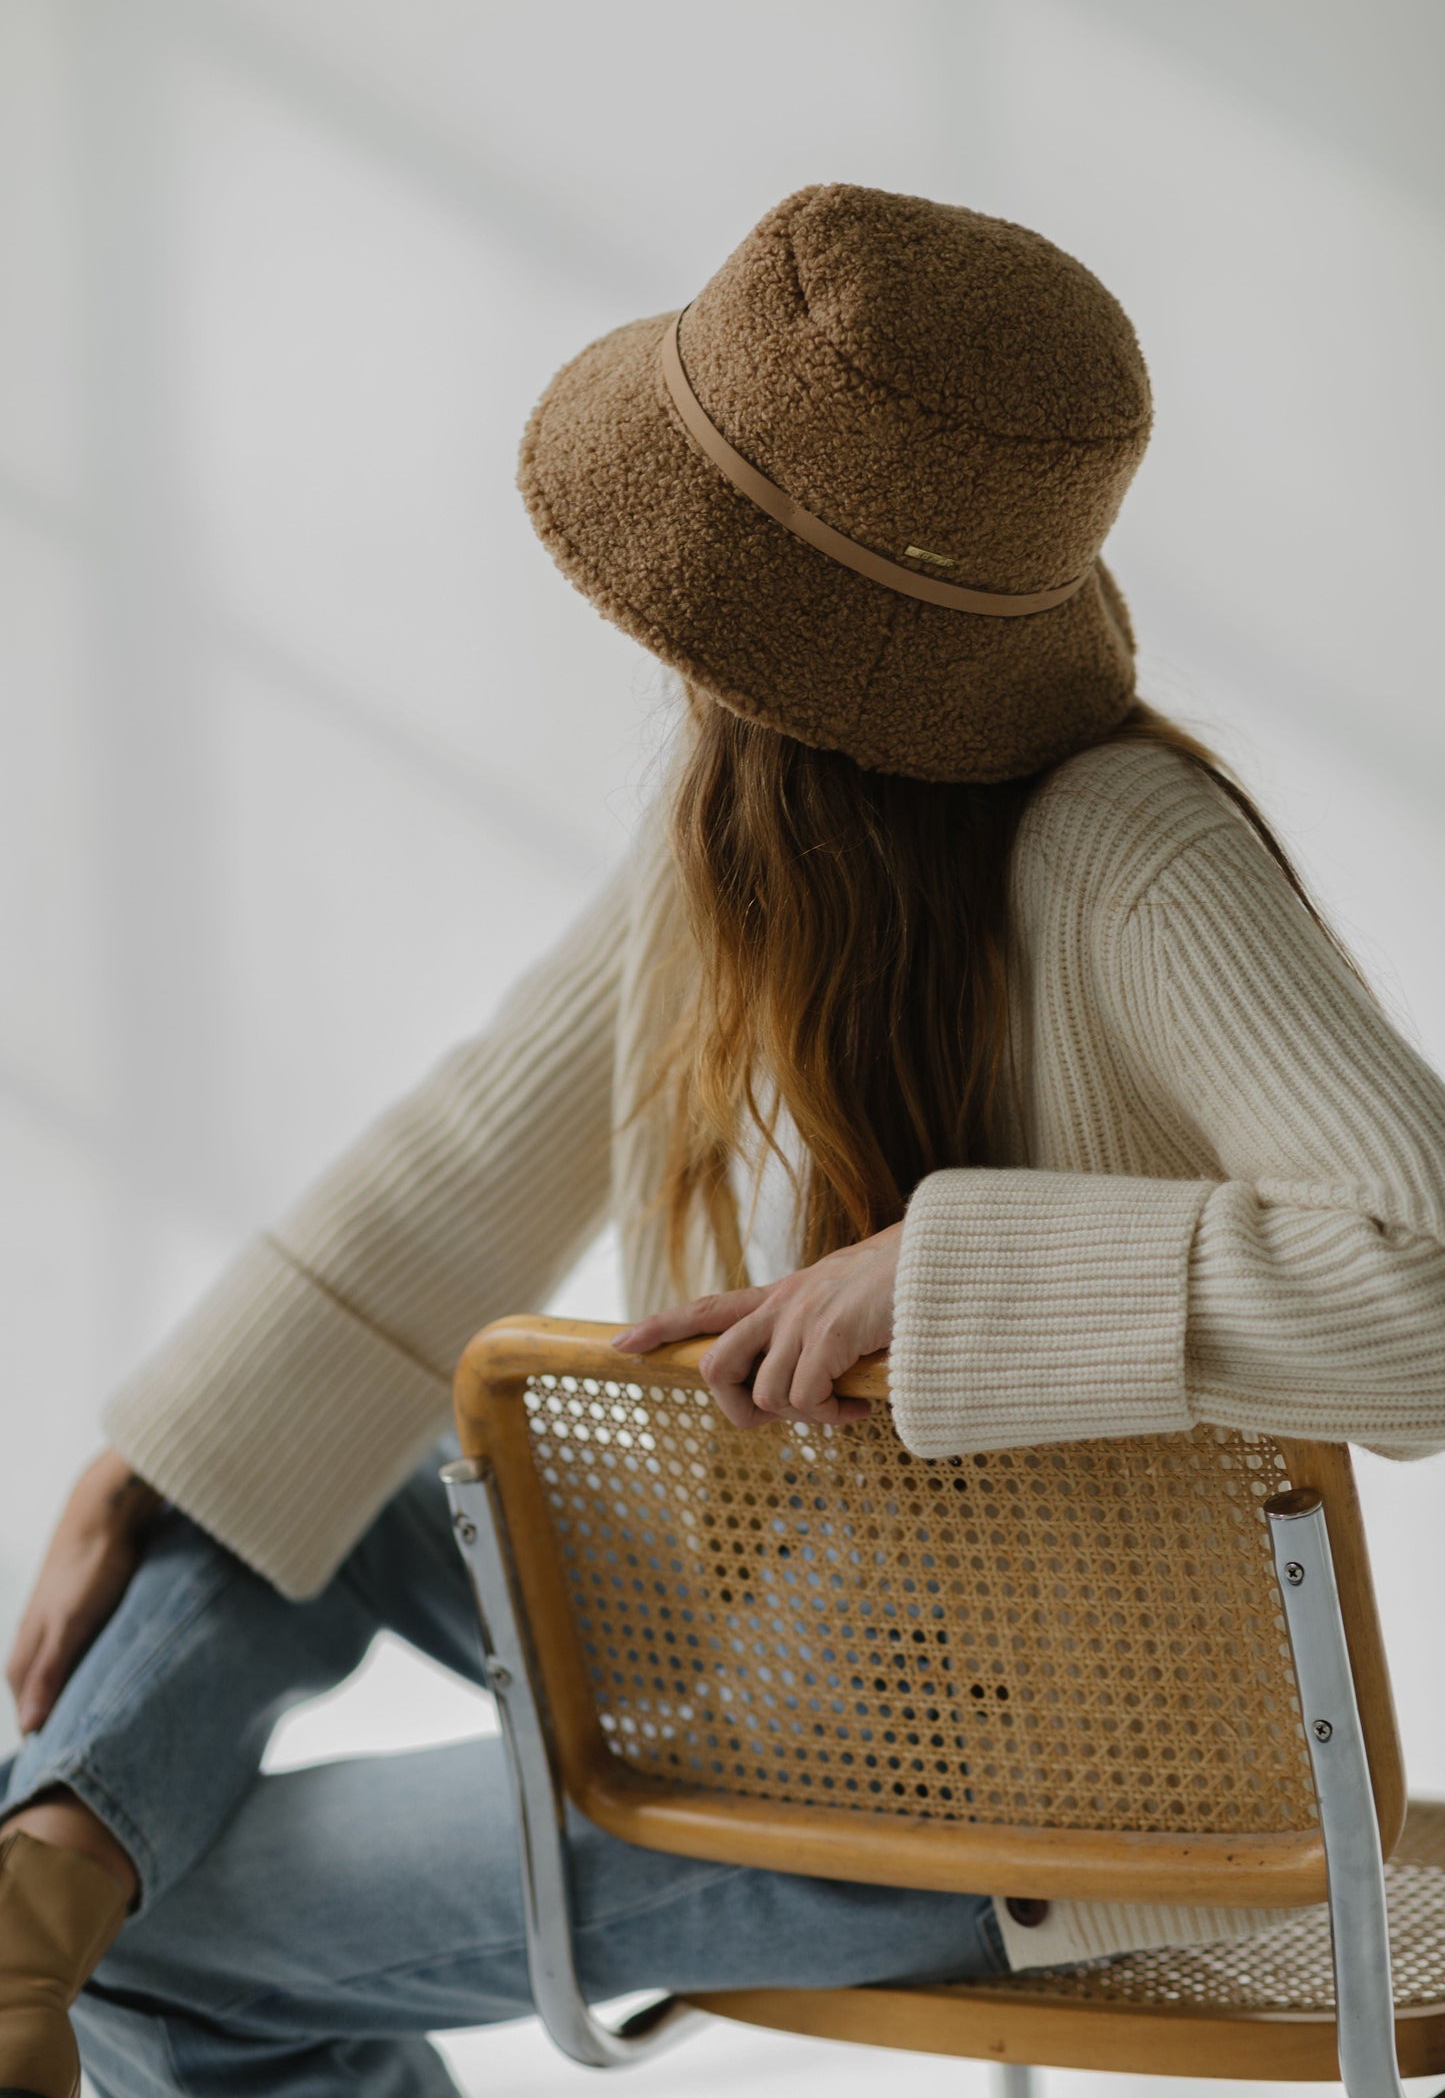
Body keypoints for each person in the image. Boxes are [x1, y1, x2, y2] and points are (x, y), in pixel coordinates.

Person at [4, 182, 1445, 2098]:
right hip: (784, 1646)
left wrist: (930, 1275)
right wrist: (161, 1447)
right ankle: (38, 1873)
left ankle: (61, 1918)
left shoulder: (1130, 856)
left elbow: (1425, 1283)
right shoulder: (746, 838)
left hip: (1013, 1801)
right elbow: (459, 1165)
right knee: (281, 1459)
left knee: (165, 1962)